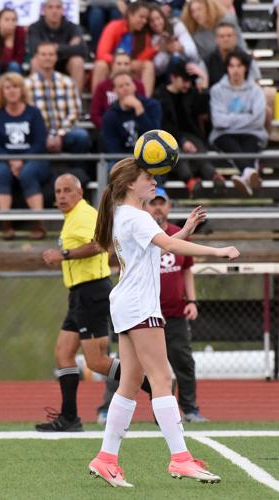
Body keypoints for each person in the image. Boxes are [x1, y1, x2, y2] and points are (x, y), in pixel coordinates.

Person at [88, 156, 239, 487]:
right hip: (140, 305)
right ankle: (181, 458)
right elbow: (167, 244)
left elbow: (158, 247)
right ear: (131, 184)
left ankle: (106, 458)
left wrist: (184, 229)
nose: (154, 182)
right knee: (162, 377)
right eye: (148, 177)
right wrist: (219, 251)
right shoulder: (136, 217)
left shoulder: (128, 215)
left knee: (130, 383)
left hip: (127, 303)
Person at [35, 173, 153, 432]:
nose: (62, 196)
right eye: (58, 191)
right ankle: (69, 418)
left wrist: (63, 254)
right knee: (63, 354)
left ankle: (154, 386)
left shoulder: (85, 214)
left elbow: (101, 244)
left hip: (92, 292)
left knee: (97, 361)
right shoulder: (71, 218)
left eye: (67, 190)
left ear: (80, 193)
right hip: (78, 294)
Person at [146, 187, 208, 422]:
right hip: (149, 314)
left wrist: (191, 301)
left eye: (161, 203)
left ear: (169, 207)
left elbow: (186, 270)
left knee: (183, 361)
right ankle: (160, 413)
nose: (157, 207)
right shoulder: (144, 233)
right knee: (149, 366)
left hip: (175, 313)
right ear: (145, 207)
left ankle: (190, 409)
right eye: (153, 203)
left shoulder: (178, 234)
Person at [0, 73, 52, 240]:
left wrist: (22, 160)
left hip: (34, 160)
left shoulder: (34, 113)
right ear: (2, 92)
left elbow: (40, 142)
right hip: (7, 160)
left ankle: (39, 223)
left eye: (15, 86)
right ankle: (6, 223)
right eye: (7, 87)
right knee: (1, 173)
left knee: (28, 172)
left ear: (22, 90)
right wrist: (11, 160)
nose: (12, 91)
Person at [155, 60, 225, 197]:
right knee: (177, 153)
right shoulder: (160, 96)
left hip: (191, 136)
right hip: (168, 138)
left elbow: (203, 112)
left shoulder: (191, 93)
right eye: (184, 80)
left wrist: (204, 83)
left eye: (190, 81)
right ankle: (191, 181)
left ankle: (215, 177)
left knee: (198, 151)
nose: (188, 84)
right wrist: (182, 141)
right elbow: (165, 125)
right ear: (173, 78)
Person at [25, 42, 91, 184]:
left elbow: (75, 112)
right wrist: (46, 136)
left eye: (51, 54)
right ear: (36, 58)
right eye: (43, 54)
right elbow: (27, 116)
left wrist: (59, 134)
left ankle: (79, 178)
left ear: (56, 58)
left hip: (64, 133)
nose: (47, 58)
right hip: (39, 136)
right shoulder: (27, 85)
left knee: (82, 136)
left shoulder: (67, 82)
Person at [209, 48, 268, 196]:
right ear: (227, 68)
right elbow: (218, 121)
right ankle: (249, 172)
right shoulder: (217, 90)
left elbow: (258, 120)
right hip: (224, 135)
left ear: (246, 68)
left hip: (251, 133)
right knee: (231, 144)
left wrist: (230, 118)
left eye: (239, 65)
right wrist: (246, 117)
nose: (235, 70)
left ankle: (245, 176)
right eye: (232, 66)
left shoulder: (256, 91)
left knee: (249, 144)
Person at [92, 1, 156, 96]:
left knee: (149, 65)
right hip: (112, 68)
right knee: (100, 65)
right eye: (141, 17)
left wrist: (156, 49)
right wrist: (122, 63)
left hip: (131, 72)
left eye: (146, 18)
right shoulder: (114, 26)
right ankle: (96, 105)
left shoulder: (144, 34)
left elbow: (143, 58)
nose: (144, 21)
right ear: (130, 14)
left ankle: (145, 104)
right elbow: (101, 54)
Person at [28, 0, 88, 93]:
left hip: (66, 63)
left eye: (58, 7)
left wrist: (55, 48)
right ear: (44, 10)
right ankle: (38, 99)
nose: (54, 11)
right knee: (36, 61)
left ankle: (76, 100)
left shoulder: (73, 27)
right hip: (45, 60)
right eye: (50, 7)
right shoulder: (35, 27)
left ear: (63, 10)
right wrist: (67, 47)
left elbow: (82, 50)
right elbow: (34, 49)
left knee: (77, 61)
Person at [102, 71, 161, 156]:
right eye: (121, 86)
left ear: (134, 86)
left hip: (149, 156)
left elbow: (154, 138)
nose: (125, 88)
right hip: (122, 160)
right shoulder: (110, 115)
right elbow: (113, 148)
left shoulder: (151, 106)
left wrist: (139, 110)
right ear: (115, 91)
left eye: (128, 84)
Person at [90, 49, 146, 130]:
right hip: (109, 130)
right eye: (119, 64)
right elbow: (95, 114)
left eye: (126, 64)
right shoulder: (102, 86)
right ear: (112, 65)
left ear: (130, 66)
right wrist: (109, 127)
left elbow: (144, 109)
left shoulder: (139, 85)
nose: (122, 67)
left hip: (134, 129)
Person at [148, 4, 201, 79]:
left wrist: (181, 48)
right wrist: (165, 51)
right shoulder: (151, 38)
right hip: (166, 77)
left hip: (188, 67)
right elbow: (157, 70)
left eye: (158, 18)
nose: (156, 23)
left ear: (163, 17)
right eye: (151, 21)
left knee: (177, 58)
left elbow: (194, 53)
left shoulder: (176, 25)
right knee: (174, 60)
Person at [181, 0, 245, 60]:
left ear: (208, 9)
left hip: (233, 61)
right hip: (209, 65)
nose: (196, 14)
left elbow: (240, 44)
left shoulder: (227, 20)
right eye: (193, 11)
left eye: (199, 9)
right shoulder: (193, 30)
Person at [204, 22, 260, 87]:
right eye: (222, 36)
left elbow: (256, 84)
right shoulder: (207, 62)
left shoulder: (248, 60)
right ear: (216, 39)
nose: (226, 39)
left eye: (229, 36)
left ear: (235, 38)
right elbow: (202, 87)